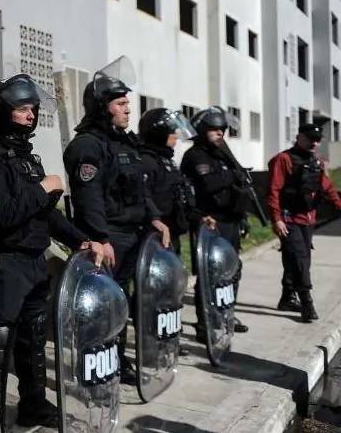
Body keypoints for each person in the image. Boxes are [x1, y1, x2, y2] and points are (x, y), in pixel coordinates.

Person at [0, 74, 104, 427]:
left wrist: (80, 240)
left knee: (34, 340)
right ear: (0, 112)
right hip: (3, 265)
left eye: (33, 109)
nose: (30, 115)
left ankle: (33, 404)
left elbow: (46, 218)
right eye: (22, 109)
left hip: (34, 263)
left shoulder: (26, 159)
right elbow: (4, 214)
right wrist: (44, 187)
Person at [62, 60, 170, 381]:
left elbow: (140, 187)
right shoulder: (87, 146)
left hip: (133, 235)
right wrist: (100, 237)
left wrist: (155, 218)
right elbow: (88, 197)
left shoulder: (125, 141)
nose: (128, 110)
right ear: (102, 107)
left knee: (120, 304)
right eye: (121, 104)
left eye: (128, 103)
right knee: (101, 307)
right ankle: (95, 366)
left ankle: (117, 361)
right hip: (109, 239)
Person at [181, 106, 250, 336]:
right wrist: (233, 175)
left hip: (230, 221)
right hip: (209, 222)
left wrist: (243, 216)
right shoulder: (196, 155)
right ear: (202, 130)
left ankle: (226, 313)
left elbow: (239, 185)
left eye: (223, 129)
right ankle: (206, 322)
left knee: (232, 270)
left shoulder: (222, 155)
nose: (220, 133)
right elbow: (208, 184)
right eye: (214, 129)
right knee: (210, 273)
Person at [138, 107, 198, 356]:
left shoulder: (166, 160)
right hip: (153, 239)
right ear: (159, 133)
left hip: (171, 237)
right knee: (155, 291)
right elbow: (144, 198)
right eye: (172, 132)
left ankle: (168, 338)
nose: (176, 136)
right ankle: (153, 343)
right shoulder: (146, 161)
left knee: (171, 290)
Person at [267, 123, 341, 322]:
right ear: (299, 137)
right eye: (310, 139)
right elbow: (273, 191)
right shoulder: (283, 160)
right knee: (300, 260)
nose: (314, 143)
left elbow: (327, 187)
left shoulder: (317, 162)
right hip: (288, 219)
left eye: (317, 140)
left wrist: (338, 204)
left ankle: (287, 298)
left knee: (297, 259)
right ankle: (307, 303)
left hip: (308, 219)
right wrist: (276, 219)